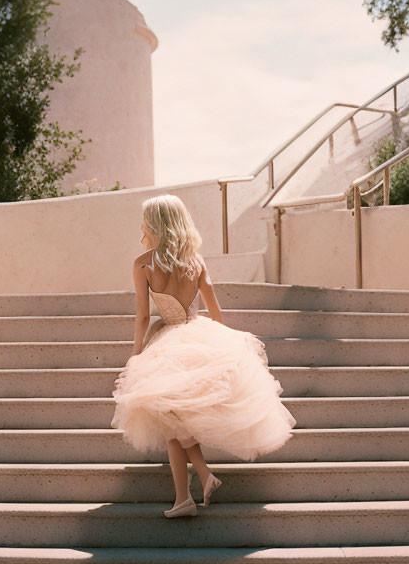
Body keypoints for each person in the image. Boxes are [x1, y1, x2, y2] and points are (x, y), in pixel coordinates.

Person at [111, 194, 296, 518]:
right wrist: (224, 347)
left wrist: (136, 353)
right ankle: (198, 483)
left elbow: (142, 316)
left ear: (155, 223)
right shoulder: (195, 261)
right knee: (171, 417)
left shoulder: (143, 263)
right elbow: (214, 308)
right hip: (198, 335)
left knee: (169, 417)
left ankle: (187, 495)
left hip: (168, 342)